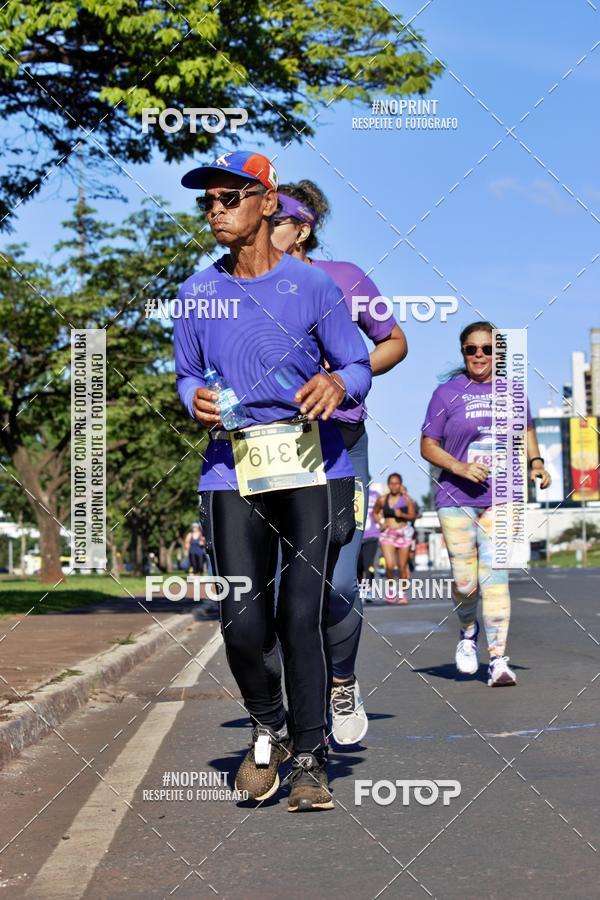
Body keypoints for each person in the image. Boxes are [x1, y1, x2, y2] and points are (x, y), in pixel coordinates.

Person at [174, 151, 372, 811]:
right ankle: (267, 725)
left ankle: (311, 758)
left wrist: (340, 380)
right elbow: (185, 373)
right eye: (209, 201)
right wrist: (191, 397)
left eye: (229, 197)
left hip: (312, 465)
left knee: (299, 614)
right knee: (240, 618)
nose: (216, 210)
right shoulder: (197, 293)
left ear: (267, 202)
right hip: (232, 467)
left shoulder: (312, 287)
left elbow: (357, 361)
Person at [271, 180, 407, 745]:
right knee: (279, 586)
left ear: (301, 228)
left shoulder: (345, 278)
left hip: (342, 447)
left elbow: (394, 341)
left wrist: (342, 379)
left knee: (342, 581)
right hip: (274, 448)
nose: (258, 222)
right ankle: (289, 713)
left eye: (273, 215)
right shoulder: (238, 283)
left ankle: (342, 681)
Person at [420, 321, 551, 686]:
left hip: (502, 496)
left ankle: (497, 660)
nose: (480, 355)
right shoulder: (446, 393)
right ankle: (467, 633)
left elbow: (526, 430)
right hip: (455, 496)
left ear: (499, 354)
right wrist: (459, 466)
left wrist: (536, 463)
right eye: (472, 349)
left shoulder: (513, 392)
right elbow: (428, 445)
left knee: (495, 578)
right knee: (465, 582)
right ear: (463, 352)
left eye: (488, 349)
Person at [372, 474, 417, 604]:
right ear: (388, 485)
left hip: (403, 534)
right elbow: (375, 512)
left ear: (400, 484)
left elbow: (413, 515)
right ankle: (391, 590)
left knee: (402, 567)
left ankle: (402, 594)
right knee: (390, 565)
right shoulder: (382, 499)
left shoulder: (406, 499)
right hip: (388, 534)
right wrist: (381, 522)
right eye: (391, 483)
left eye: (396, 483)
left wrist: (402, 514)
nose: (394, 486)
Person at [358, 483, 382, 597]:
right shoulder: (354, 493)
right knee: (358, 566)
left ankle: (368, 589)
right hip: (356, 537)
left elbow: (381, 512)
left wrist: (382, 524)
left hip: (371, 536)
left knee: (369, 565)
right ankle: (358, 589)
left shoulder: (376, 495)